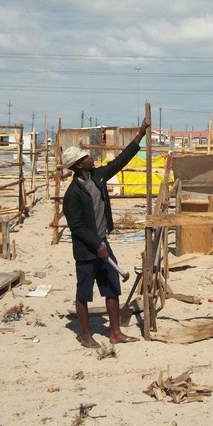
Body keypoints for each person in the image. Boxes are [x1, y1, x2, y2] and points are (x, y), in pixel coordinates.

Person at [62, 119, 150, 348]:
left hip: (102, 243)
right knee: (84, 293)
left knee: (111, 287)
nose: (91, 157)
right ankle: (86, 336)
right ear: (80, 165)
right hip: (86, 250)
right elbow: (78, 228)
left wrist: (140, 135)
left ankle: (115, 333)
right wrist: (96, 246)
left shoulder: (98, 178)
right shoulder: (72, 195)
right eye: (86, 157)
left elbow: (120, 161)